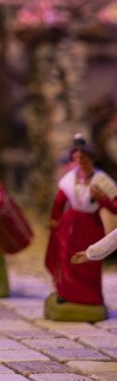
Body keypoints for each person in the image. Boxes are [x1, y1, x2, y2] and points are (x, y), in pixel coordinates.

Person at [46, 136, 117, 321]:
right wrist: (54, 220)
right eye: (76, 158)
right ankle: (65, 293)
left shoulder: (102, 180)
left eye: (83, 158)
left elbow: (115, 207)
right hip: (70, 224)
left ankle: (90, 298)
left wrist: (102, 198)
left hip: (90, 225)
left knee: (89, 265)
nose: (80, 162)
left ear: (91, 159)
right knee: (66, 260)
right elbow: (60, 200)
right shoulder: (70, 178)